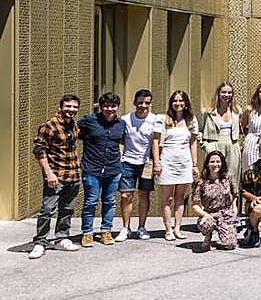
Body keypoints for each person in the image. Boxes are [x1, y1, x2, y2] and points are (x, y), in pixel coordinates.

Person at [30, 94, 83, 259]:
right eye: (68, 106)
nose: (71, 110)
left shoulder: (74, 126)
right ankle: (40, 242)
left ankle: (61, 238)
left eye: (74, 107)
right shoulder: (49, 126)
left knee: (67, 209)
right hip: (55, 176)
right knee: (47, 210)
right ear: (60, 107)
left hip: (73, 174)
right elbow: (39, 150)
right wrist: (48, 173)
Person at [77, 92, 125, 247]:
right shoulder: (88, 121)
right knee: (90, 201)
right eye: (106, 106)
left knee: (110, 201)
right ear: (101, 106)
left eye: (113, 106)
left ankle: (106, 231)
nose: (109, 109)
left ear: (117, 107)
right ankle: (87, 233)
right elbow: (74, 132)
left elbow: (123, 141)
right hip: (92, 168)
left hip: (113, 169)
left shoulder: (121, 123)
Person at [152, 90, 199, 242]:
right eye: (175, 101)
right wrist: (157, 162)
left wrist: (194, 164)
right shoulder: (163, 119)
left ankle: (177, 227)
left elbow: (193, 143)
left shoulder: (191, 120)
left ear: (186, 103)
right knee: (168, 198)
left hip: (184, 162)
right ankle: (168, 228)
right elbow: (155, 142)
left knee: (180, 197)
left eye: (181, 101)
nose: (178, 104)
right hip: (167, 162)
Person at [118, 89, 157, 240]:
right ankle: (125, 228)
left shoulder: (155, 119)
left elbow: (157, 142)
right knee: (126, 195)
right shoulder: (125, 119)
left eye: (147, 103)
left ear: (150, 104)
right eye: (140, 102)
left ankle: (141, 227)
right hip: (128, 161)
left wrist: (156, 162)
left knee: (144, 194)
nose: (143, 105)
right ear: (134, 103)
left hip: (146, 163)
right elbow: (121, 139)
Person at [198, 82, 241, 197]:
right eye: (224, 92)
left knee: (232, 178)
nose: (226, 95)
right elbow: (198, 131)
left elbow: (242, 129)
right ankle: (211, 207)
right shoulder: (207, 112)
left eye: (229, 92)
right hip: (215, 145)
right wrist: (206, 146)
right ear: (218, 93)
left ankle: (232, 208)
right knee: (213, 177)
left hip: (232, 145)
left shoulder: (237, 112)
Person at [192, 151, 238, 252]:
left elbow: (235, 194)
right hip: (209, 214)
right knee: (206, 224)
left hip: (225, 214)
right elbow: (195, 205)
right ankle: (207, 237)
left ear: (222, 163)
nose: (215, 164)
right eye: (212, 162)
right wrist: (204, 214)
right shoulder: (201, 182)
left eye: (218, 161)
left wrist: (234, 207)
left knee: (230, 245)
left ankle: (223, 238)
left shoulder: (228, 177)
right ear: (207, 164)